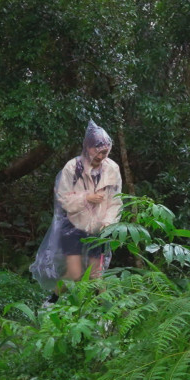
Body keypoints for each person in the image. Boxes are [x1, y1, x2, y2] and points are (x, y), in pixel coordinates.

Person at [30, 120, 123, 303]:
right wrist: (86, 198)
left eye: (105, 152)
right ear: (88, 148)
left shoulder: (112, 168)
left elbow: (116, 200)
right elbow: (63, 198)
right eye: (98, 151)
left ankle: (105, 315)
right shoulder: (72, 168)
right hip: (73, 225)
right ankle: (52, 301)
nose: (101, 156)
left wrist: (108, 223)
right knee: (74, 273)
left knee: (96, 275)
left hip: (99, 229)